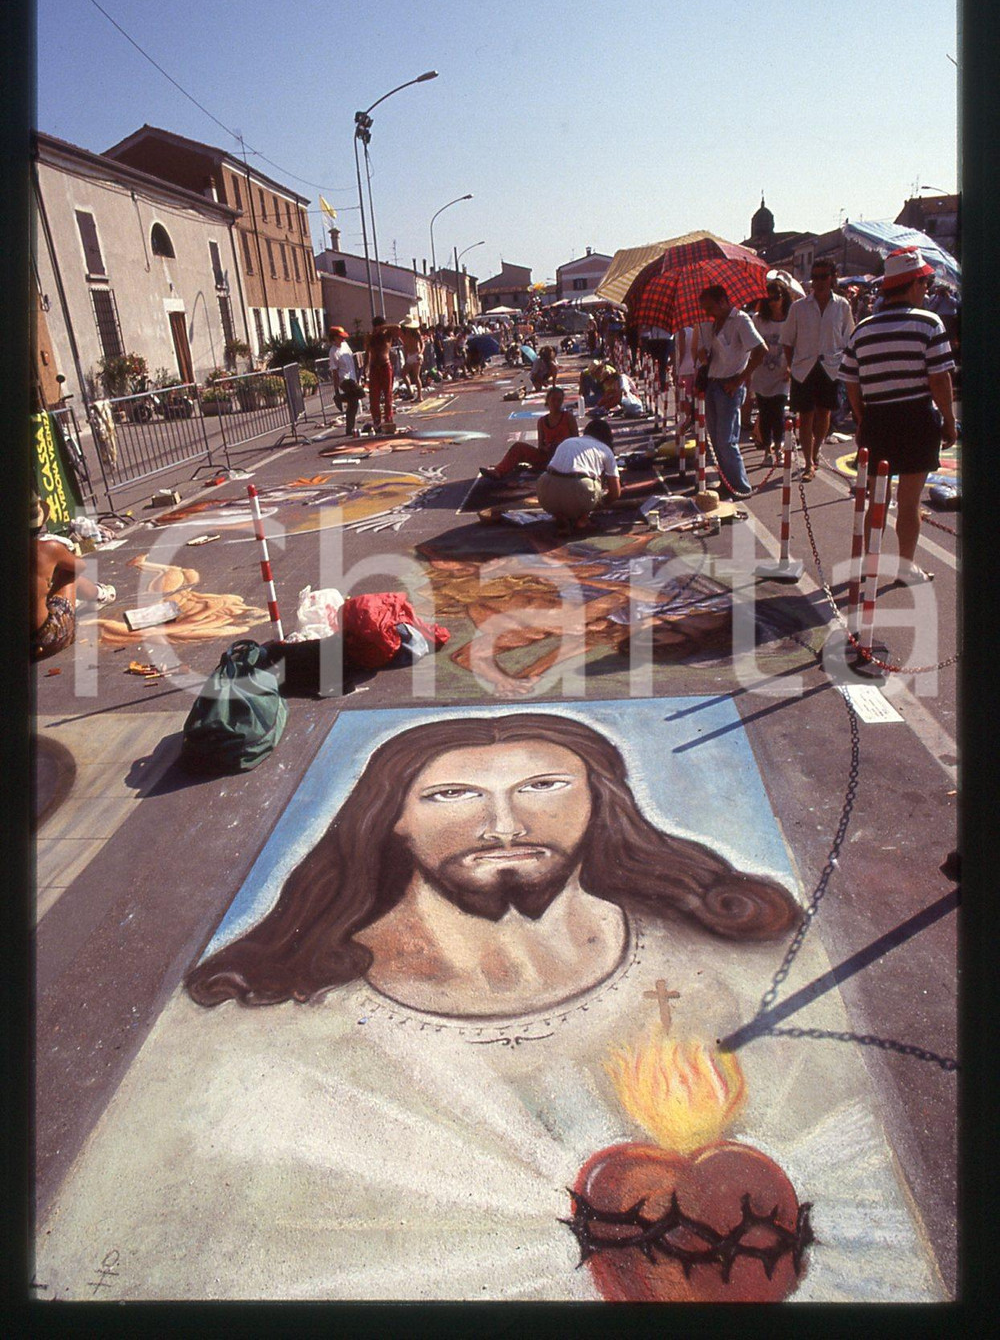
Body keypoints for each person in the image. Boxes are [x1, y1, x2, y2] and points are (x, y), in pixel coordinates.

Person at [34, 709, 944, 1301]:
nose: (501, 822)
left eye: (542, 786)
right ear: (389, 817)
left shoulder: (710, 964)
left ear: (602, 804)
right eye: (453, 795)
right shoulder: (279, 1022)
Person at [839, 247, 957, 586]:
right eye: (924, 282)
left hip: (878, 420)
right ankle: (905, 567)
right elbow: (939, 378)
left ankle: (869, 564)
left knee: (877, 498)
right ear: (913, 284)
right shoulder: (928, 323)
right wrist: (949, 420)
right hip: (917, 417)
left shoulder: (863, 329)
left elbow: (850, 378)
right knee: (908, 502)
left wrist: (862, 417)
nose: (927, 289)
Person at [780, 258, 855, 480]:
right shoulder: (798, 307)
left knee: (824, 413)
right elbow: (787, 341)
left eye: (824, 276)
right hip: (804, 367)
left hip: (830, 367)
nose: (819, 281)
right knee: (806, 415)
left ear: (832, 278)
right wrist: (793, 366)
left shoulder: (842, 305)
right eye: (815, 277)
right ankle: (808, 463)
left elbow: (848, 337)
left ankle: (815, 451)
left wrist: (842, 361)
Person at [694, 285, 766, 500]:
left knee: (727, 440)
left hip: (729, 386)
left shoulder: (741, 320)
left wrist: (739, 380)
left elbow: (761, 350)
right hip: (713, 383)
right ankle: (727, 483)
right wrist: (703, 356)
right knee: (716, 440)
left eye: (710, 308)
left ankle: (741, 486)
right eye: (705, 309)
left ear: (723, 301)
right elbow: (705, 353)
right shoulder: (711, 324)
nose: (708, 313)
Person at [31, 494, 115, 661]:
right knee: (69, 573)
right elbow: (80, 566)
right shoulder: (46, 548)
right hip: (45, 639)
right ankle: (100, 594)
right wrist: (60, 554)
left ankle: (98, 594)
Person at [536, 417, 621, 533]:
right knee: (593, 480)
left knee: (559, 481)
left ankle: (561, 516)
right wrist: (598, 503)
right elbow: (616, 493)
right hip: (580, 491)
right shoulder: (605, 449)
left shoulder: (567, 442)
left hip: (545, 494)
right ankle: (583, 519)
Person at [479, 386, 579, 481]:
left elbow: (576, 441)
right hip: (548, 458)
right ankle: (498, 471)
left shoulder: (568, 417)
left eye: (559, 400)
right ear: (547, 400)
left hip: (564, 457)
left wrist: (561, 447)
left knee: (557, 449)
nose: (556, 403)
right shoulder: (542, 421)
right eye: (553, 400)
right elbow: (541, 447)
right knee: (519, 447)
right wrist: (547, 448)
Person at [752, 283, 793, 464]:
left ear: (783, 297)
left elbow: (796, 344)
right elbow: (752, 345)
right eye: (768, 298)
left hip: (782, 373)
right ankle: (767, 450)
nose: (772, 302)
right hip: (762, 372)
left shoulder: (791, 319)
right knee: (765, 412)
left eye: (776, 297)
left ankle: (778, 448)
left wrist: (792, 367)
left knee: (778, 412)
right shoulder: (759, 320)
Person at [364, 315, 402, 433]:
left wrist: (383, 328)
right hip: (374, 368)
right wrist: (365, 370)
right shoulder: (370, 337)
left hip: (385, 366)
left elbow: (398, 327)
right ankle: (376, 420)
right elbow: (367, 353)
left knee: (388, 395)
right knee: (373, 397)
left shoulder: (387, 335)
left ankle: (388, 418)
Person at [399, 317, 424, 402]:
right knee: (403, 374)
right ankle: (410, 392)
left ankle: (420, 396)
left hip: (416, 354)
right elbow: (405, 346)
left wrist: (420, 353)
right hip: (410, 355)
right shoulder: (404, 334)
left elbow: (422, 344)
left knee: (416, 376)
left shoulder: (416, 333)